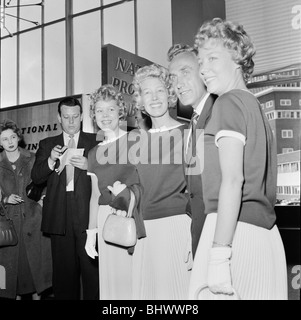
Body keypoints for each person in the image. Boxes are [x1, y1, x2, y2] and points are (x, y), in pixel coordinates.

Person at [188, 18, 287, 300]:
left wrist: (219, 254)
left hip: (232, 234)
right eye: (201, 61)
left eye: (212, 58)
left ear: (236, 59)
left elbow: (233, 181)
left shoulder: (228, 103)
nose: (203, 69)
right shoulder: (253, 104)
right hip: (264, 236)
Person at [129, 64, 191, 300]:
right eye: (147, 92)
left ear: (170, 94)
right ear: (140, 100)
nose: (154, 98)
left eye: (160, 91)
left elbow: (201, 189)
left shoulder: (188, 133)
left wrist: (196, 234)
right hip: (144, 230)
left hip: (177, 227)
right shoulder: (135, 140)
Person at [31, 97, 99, 300]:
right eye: (66, 117)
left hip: (89, 214)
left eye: (75, 117)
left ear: (82, 116)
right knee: (63, 277)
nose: (71, 122)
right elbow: (36, 177)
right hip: (59, 215)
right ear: (59, 118)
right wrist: (51, 160)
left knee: (92, 274)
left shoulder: (96, 140)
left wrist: (91, 165)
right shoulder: (47, 144)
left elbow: (110, 174)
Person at [84, 84, 145, 300]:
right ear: (94, 116)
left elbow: (146, 183)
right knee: (112, 286)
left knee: (133, 282)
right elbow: (94, 197)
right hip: (105, 219)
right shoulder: (93, 153)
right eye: (99, 110)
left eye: (110, 109)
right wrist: (91, 232)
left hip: (130, 214)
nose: (105, 115)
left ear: (120, 111)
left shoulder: (135, 139)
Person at [168, 43, 217, 258]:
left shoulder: (220, 110)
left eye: (185, 72)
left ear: (202, 71)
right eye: (173, 77)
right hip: (201, 232)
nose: (178, 84)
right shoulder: (192, 123)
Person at [0, 119, 52, 300]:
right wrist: (5, 198)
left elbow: (45, 184)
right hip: (8, 225)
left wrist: (42, 203)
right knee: (12, 279)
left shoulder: (32, 158)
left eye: (13, 137)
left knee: (35, 276)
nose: (10, 142)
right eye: (5, 139)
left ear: (18, 137)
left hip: (33, 221)